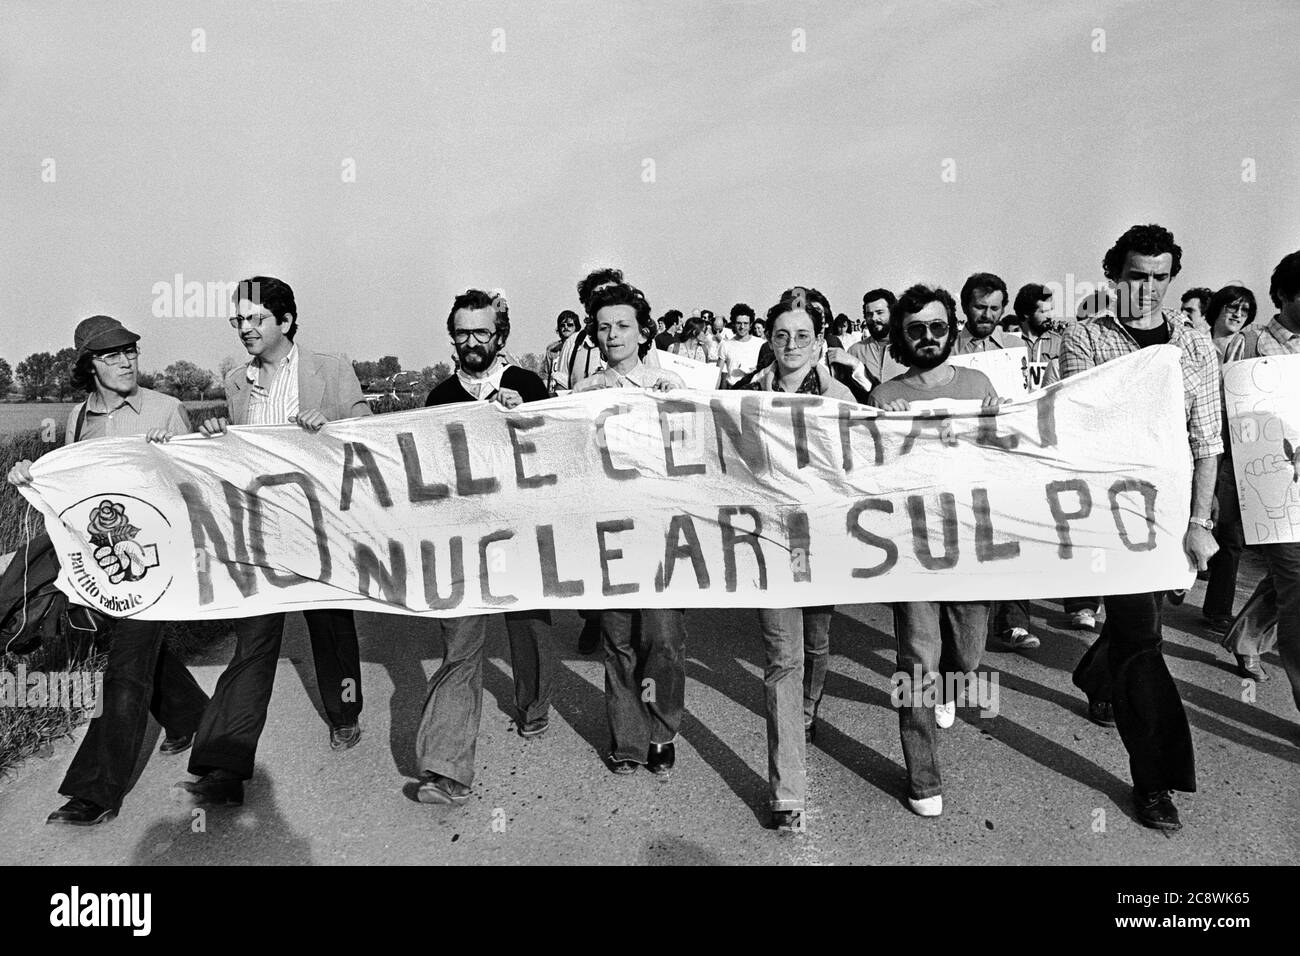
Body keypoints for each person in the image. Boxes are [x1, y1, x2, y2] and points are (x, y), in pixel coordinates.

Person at [175, 276, 369, 808]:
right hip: (260, 532)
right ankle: (225, 762)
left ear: (284, 321)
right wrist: (216, 440)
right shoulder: (237, 382)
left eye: (255, 319)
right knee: (254, 641)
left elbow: (367, 436)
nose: (245, 328)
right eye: (238, 320)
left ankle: (344, 711)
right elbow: (238, 455)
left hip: (320, 529)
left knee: (329, 627)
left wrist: (330, 428)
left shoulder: (331, 369)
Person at [7, 315, 209, 826]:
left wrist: (177, 456)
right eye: (112, 355)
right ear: (88, 365)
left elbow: (199, 486)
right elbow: (72, 489)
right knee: (126, 648)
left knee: (124, 666)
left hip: (158, 564)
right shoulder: (77, 419)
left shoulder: (166, 408)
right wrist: (29, 476)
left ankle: (94, 792)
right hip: (105, 566)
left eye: (131, 352)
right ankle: (193, 718)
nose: (126, 362)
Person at [1063, 224, 1221, 832]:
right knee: (1142, 639)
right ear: (1114, 276)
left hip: (1172, 514)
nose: (1148, 288)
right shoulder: (1084, 339)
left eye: (1160, 277)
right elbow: (1086, 427)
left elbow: (1207, 439)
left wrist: (1200, 521)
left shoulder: (1197, 346)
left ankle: (1094, 672)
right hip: (1110, 515)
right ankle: (1153, 780)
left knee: (1139, 624)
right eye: (1136, 276)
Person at [414, 290, 557, 804]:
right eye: (461, 332)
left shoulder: (527, 384)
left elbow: (561, 448)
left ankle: (534, 705)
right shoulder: (439, 397)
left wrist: (529, 416)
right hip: (462, 541)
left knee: (529, 630)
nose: (471, 341)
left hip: (522, 532)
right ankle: (445, 768)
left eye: (481, 332)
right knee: (459, 647)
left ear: (500, 337)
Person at [868, 284, 1003, 818]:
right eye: (916, 329)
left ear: (953, 330)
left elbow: (1007, 460)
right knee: (915, 660)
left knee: (968, 651)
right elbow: (871, 474)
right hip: (911, 549)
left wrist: (998, 422)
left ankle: (953, 684)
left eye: (939, 327)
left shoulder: (979, 384)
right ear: (902, 335)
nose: (928, 337)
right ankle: (923, 778)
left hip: (971, 543)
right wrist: (884, 420)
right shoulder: (885, 394)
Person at [732, 289, 854, 832]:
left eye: (802, 335)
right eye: (781, 335)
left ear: (819, 341)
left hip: (821, 540)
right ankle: (788, 793)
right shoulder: (741, 396)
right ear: (769, 340)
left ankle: (806, 711)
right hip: (768, 544)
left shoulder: (840, 395)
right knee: (782, 656)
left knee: (816, 644)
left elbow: (878, 443)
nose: (791, 344)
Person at [573, 281, 687, 779]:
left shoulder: (673, 384)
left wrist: (680, 401)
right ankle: (628, 739)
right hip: (610, 533)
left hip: (662, 532)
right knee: (618, 639)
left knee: (661, 638)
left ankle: (662, 728)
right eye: (602, 328)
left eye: (622, 326)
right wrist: (574, 403)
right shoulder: (584, 393)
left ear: (643, 333)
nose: (612, 335)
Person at [1222, 250, 1300, 710]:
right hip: (1272, 489)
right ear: (1283, 296)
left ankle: (1248, 639)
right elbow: (1227, 417)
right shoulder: (1249, 344)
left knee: (1289, 583)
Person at [1202, 285, 1259, 639]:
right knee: (1196, 518)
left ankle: (1219, 609)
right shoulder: (1196, 344)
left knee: (1232, 531)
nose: (1237, 315)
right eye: (1231, 307)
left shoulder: (1252, 348)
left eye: (1244, 310)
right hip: (1202, 442)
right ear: (1217, 310)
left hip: (1238, 444)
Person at [848, 288, 907, 388]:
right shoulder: (854, 352)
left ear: (892, 314)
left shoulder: (908, 348)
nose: (874, 318)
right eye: (869, 314)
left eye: (879, 312)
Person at [954, 273, 1012, 353]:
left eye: (994, 308)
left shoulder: (1017, 346)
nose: (987, 315)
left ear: (1002, 310)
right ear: (965, 307)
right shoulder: (945, 350)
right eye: (980, 307)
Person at [716, 303, 764, 386]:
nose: (742, 327)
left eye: (745, 323)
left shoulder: (760, 343)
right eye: (739, 323)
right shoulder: (725, 345)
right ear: (734, 324)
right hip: (733, 389)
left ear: (750, 325)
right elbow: (717, 374)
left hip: (754, 390)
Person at [542, 309, 579, 395]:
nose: (566, 327)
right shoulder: (552, 349)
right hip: (553, 392)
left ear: (576, 327)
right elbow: (546, 374)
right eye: (562, 325)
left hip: (571, 393)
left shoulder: (581, 348)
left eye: (570, 325)